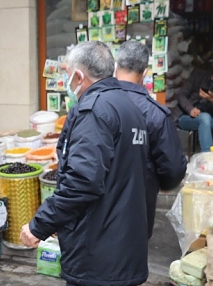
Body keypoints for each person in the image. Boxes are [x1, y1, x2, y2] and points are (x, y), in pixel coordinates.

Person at [20, 41, 150, 285]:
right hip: (124, 247)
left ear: (79, 76)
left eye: (68, 75)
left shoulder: (94, 111)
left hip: (99, 255)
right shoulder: (129, 107)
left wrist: (40, 225)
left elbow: (82, 181)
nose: (69, 83)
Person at [115, 41, 187, 238]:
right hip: (137, 212)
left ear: (116, 66)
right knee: (131, 263)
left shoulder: (91, 104)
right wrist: (159, 182)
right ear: (145, 72)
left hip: (95, 216)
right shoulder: (156, 114)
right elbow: (173, 168)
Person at [176, 53, 213, 152]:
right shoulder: (197, 75)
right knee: (205, 117)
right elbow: (181, 95)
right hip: (187, 117)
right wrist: (190, 109)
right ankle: (207, 157)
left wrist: (212, 100)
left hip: (210, 120)